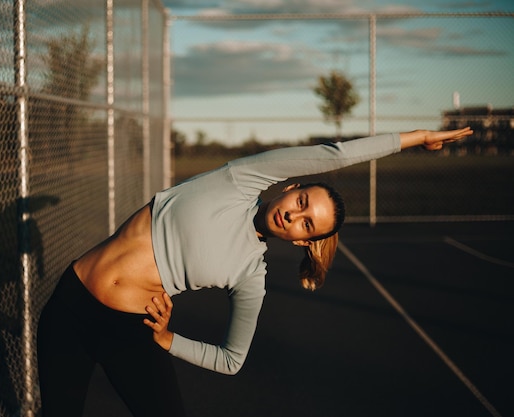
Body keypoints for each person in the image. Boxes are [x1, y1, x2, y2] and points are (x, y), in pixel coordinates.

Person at [36, 127, 472, 417]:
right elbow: (334, 155)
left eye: (308, 225)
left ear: (304, 241)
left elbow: (232, 360)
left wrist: (169, 341)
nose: (295, 216)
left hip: (129, 330)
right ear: (290, 187)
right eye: (301, 203)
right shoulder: (239, 179)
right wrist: (416, 138)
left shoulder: (250, 276)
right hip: (70, 301)